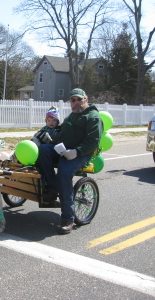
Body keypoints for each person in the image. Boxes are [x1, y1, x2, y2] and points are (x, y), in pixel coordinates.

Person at [37, 89, 103, 235]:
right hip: (63, 149)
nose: (76, 102)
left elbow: (93, 142)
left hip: (80, 154)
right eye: (73, 100)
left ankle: (68, 219)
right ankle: (54, 188)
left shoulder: (93, 117)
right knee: (43, 151)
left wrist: (76, 152)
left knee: (64, 173)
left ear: (86, 99)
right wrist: (52, 140)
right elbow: (62, 133)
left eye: (79, 99)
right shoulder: (73, 115)